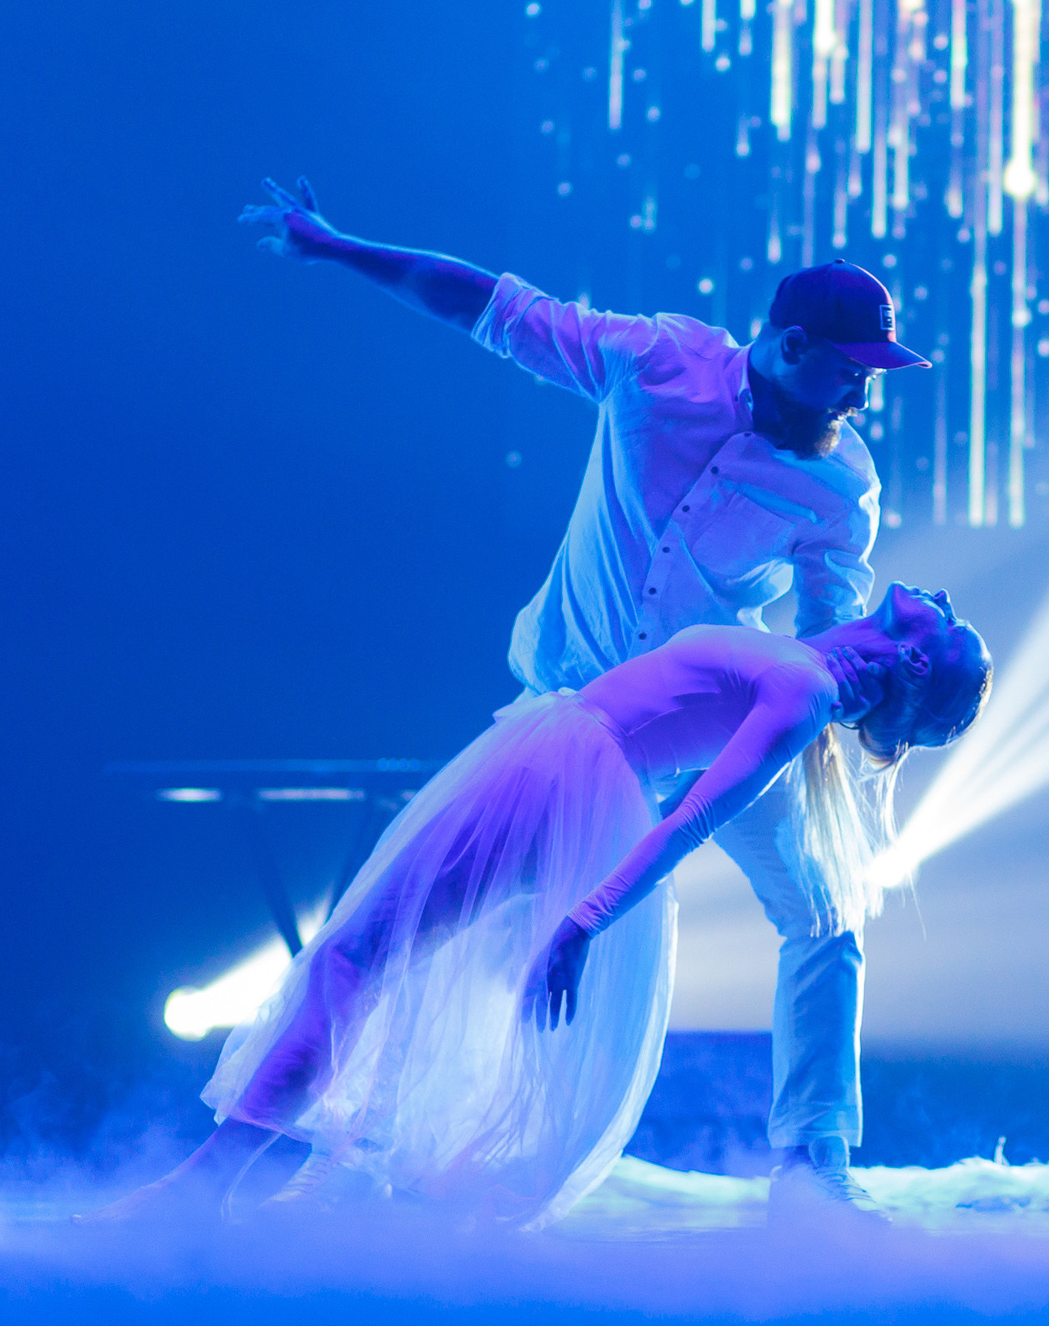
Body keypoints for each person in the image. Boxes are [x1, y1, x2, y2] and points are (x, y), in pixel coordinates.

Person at [231, 178, 932, 1213]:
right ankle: (352, 1141)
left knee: (826, 910)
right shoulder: (657, 364)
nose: (860, 400)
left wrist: (863, 712)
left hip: (710, 722)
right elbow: (493, 308)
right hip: (570, 729)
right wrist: (339, 249)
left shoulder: (841, 486)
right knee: (427, 928)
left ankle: (814, 1165)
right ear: (786, 347)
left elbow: (825, 637)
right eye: (848, 374)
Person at [98, 588, 990, 1227]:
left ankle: (207, 1182)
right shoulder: (804, 669)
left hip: (562, 773)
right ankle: (229, 1175)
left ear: (913, 658)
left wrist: (584, 922)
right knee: (365, 962)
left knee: (355, 960)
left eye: (946, 623)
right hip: (558, 758)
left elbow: (692, 818)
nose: (939, 596)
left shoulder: (802, 692)